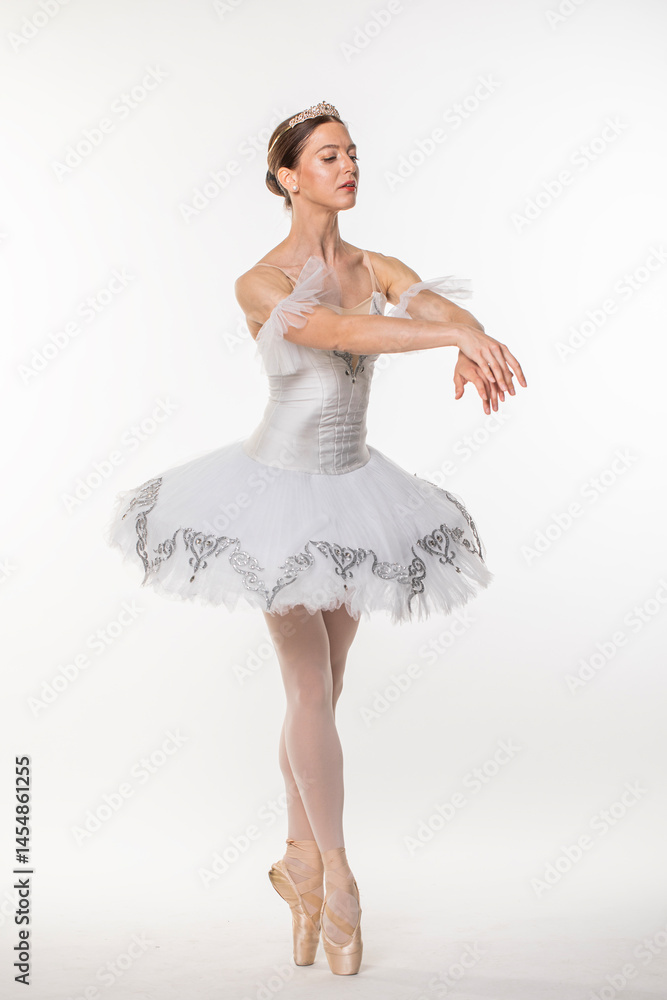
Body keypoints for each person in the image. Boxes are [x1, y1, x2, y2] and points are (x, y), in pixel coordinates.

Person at [105, 100, 526, 977]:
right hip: (273, 498)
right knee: (307, 688)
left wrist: (468, 333)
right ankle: (336, 877)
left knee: (324, 690)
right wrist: (449, 335)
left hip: (356, 491)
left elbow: (421, 300)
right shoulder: (259, 280)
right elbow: (337, 332)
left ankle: (296, 859)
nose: (347, 166)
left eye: (352, 153)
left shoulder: (373, 263)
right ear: (288, 177)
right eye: (328, 156)